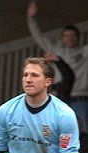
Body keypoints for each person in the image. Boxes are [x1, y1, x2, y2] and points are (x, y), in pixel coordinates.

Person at [27, 0, 88, 131]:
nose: (70, 38)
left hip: (81, 99)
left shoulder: (85, 52)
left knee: (83, 132)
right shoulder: (57, 51)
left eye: (73, 35)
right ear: (62, 38)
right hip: (60, 97)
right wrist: (31, 18)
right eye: (67, 35)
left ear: (78, 37)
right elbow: (39, 37)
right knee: (52, 130)